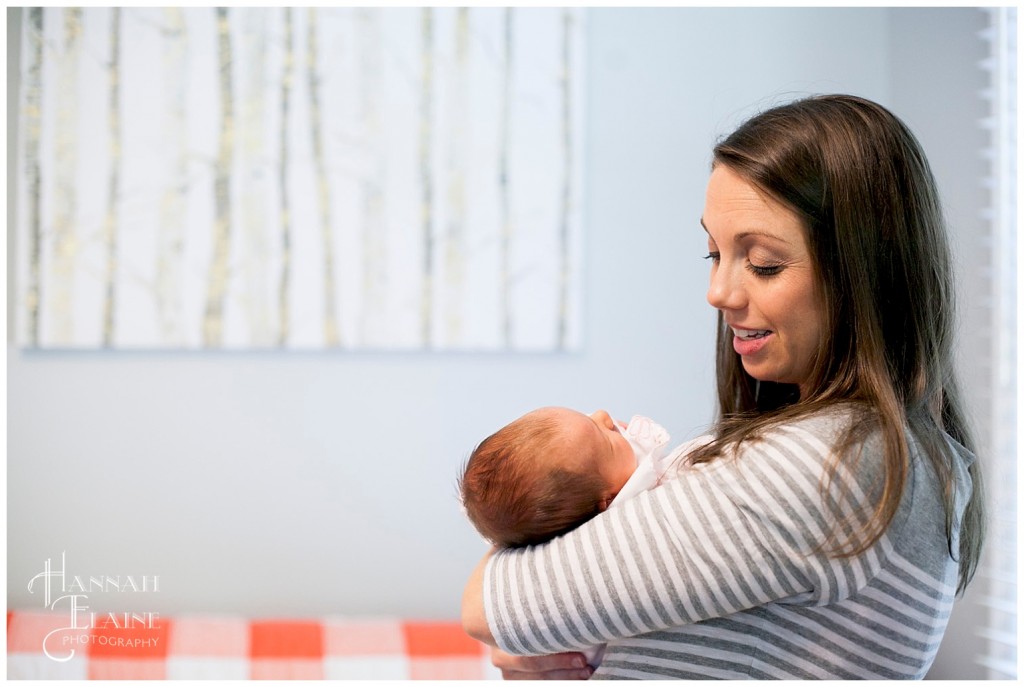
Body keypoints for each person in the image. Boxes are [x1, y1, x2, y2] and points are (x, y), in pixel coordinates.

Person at [461, 94, 986, 680]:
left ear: (867, 270)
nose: (719, 292)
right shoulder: (897, 457)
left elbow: (487, 604)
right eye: (713, 252)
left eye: (762, 263)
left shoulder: (831, 464)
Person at [459, 407, 708, 548]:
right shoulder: (655, 501)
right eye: (605, 440)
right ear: (606, 502)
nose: (603, 416)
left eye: (587, 416)